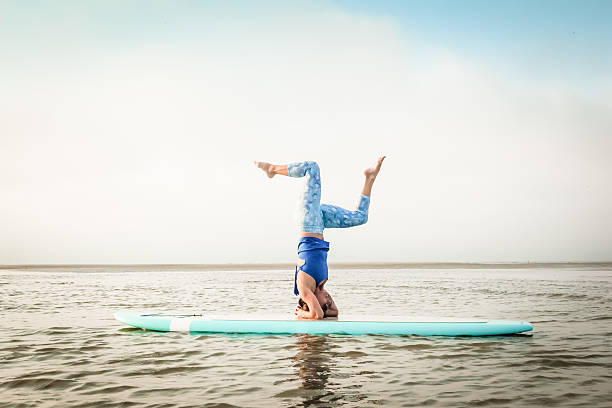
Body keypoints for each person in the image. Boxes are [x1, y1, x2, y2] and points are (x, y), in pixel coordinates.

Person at [254, 157, 385, 320]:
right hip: (320, 221)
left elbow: (317, 314)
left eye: (326, 302)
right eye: (330, 303)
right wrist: (325, 309)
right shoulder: (320, 283)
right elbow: (334, 312)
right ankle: (369, 177)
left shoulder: (304, 288)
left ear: (313, 301)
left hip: (307, 220)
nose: (330, 301)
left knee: (312, 168)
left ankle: (272, 169)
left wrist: (303, 313)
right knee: (360, 217)